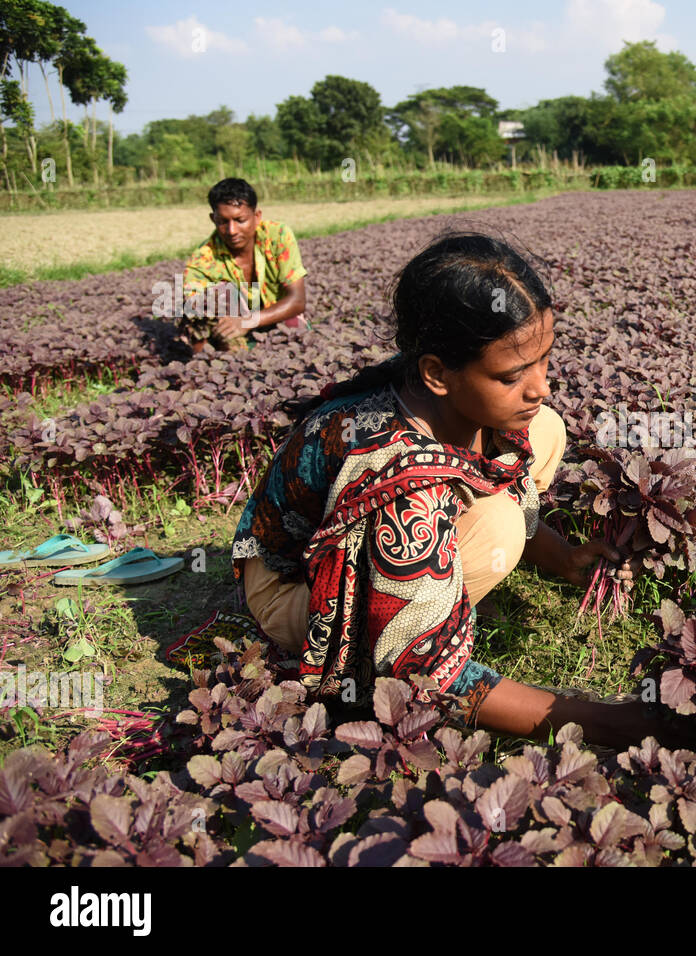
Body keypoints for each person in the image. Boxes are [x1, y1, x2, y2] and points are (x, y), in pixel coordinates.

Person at [230, 231, 660, 748]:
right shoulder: (394, 469)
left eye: (544, 360)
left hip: (410, 499)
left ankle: (443, 591)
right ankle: (429, 605)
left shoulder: (467, 403)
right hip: (292, 587)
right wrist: (619, 722)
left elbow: (517, 476)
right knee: (497, 528)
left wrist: (566, 558)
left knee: (544, 425)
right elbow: (423, 675)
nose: (540, 384)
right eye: (512, 374)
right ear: (436, 373)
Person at [180, 177, 308, 351]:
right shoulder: (203, 259)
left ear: (257, 216)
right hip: (231, 325)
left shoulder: (278, 236)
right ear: (213, 219)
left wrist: (249, 321)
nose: (232, 231)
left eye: (240, 220)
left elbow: (297, 300)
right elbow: (193, 318)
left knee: (298, 335)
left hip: (273, 315)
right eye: (223, 222)